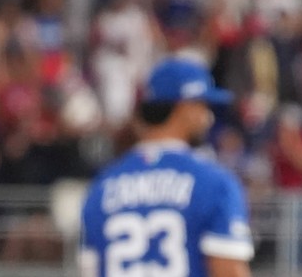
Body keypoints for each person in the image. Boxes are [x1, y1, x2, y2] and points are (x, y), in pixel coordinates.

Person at [79, 58, 254, 277]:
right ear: (186, 108)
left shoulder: (102, 187)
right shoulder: (214, 183)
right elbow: (229, 271)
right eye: (203, 106)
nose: (207, 117)